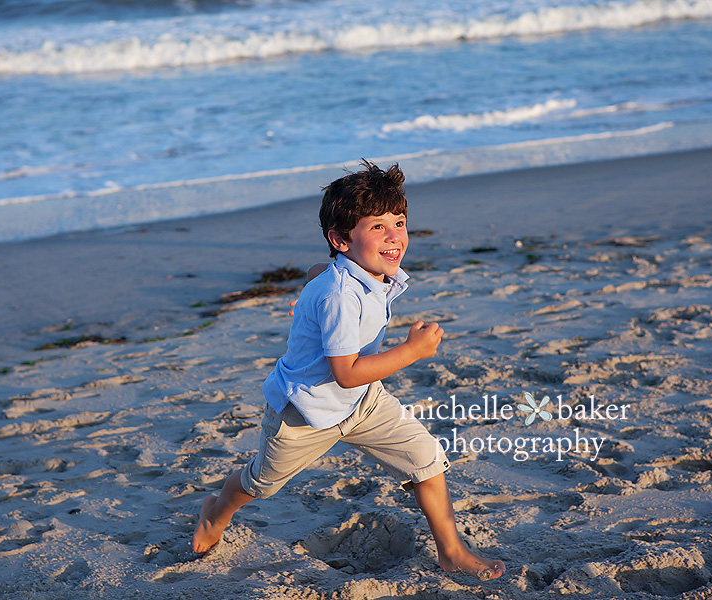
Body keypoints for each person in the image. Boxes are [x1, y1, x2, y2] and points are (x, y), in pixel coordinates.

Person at [192, 160, 505, 580]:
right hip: (307, 412)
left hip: (362, 402)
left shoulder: (362, 273)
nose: (394, 236)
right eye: (377, 227)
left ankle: (450, 551)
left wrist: (311, 295)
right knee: (260, 482)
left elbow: (317, 272)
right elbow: (347, 372)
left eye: (399, 222)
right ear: (340, 239)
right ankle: (215, 510)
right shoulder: (340, 294)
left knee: (426, 458)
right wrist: (411, 350)